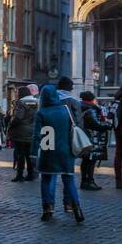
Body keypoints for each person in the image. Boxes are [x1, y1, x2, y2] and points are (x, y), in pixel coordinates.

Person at [32, 84, 84, 223]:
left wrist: (33, 154)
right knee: (69, 180)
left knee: (47, 180)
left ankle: (48, 209)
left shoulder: (41, 113)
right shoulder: (65, 110)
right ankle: (76, 208)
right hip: (65, 150)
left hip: (48, 151)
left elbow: (37, 135)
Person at [79, 92, 112, 192]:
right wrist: (108, 125)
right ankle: (89, 181)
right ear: (92, 99)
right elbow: (96, 124)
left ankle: (85, 181)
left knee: (86, 160)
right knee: (91, 160)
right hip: (91, 138)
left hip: (84, 137)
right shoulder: (90, 110)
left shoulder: (80, 107)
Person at [7, 85, 39, 181]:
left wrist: (11, 125)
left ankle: (19, 175)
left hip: (20, 132)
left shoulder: (21, 102)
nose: (16, 95)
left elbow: (18, 117)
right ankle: (30, 174)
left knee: (20, 155)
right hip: (32, 131)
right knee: (29, 154)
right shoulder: (37, 102)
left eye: (17, 93)